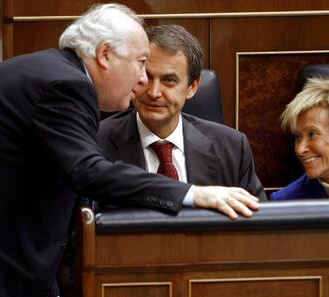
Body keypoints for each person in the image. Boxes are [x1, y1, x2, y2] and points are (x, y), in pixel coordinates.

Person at [0, 4, 259, 297]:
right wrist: (193, 193)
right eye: (141, 63)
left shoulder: (52, 72)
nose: (144, 83)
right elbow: (87, 172)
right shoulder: (67, 85)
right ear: (105, 54)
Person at [97, 25, 266, 202]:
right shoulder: (95, 142)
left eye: (169, 80)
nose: (154, 93)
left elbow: (258, 224)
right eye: (147, 76)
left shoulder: (231, 148)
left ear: (192, 87)